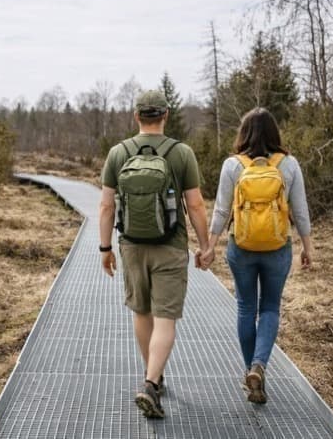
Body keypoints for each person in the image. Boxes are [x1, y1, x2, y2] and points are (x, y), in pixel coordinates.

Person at [99, 90, 210, 419]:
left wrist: (105, 248)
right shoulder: (182, 153)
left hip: (131, 246)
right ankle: (151, 382)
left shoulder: (118, 153)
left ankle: (155, 376)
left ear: (137, 117)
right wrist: (206, 246)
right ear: (165, 115)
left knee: (141, 313)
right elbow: (196, 205)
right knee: (166, 319)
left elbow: (106, 206)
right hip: (171, 247)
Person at [198, 107, 314, 404]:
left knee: (246, 308)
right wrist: (308, 247)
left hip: (242, 247)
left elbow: (222, 210)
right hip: (278, 247)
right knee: (271, 307)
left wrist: (210, 245)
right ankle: (260, 365)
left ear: (244, 133)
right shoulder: (288, 164)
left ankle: (251, 372)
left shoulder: (232, 165)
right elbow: (300, 210)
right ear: (275, 133)